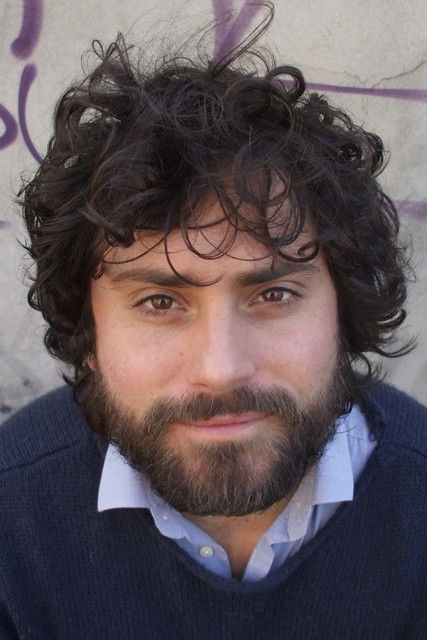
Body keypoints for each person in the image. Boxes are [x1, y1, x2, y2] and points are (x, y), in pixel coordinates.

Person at [1, 11, 426, 640]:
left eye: (275, 294)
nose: (221, 369)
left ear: (344, 314)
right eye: (159, 302)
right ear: (88, 332)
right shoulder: (12, 519)